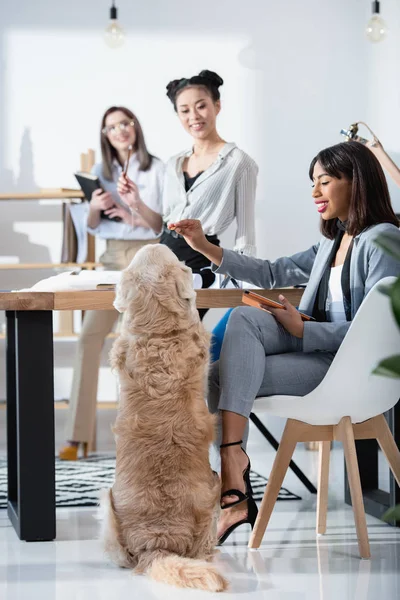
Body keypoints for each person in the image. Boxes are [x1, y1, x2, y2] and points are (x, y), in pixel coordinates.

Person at [168, 141, 400, 544]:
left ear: (356, 182)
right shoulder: (334, 240)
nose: (314, 193)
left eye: (324, 182)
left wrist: (303, 331)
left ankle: (229, 486)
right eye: (313, 183)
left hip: (345, 366)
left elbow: (378, 332)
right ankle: (230, 466)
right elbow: (274, 271)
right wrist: (206, 247)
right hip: (316, 348)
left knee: (214, 380)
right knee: (240, 320)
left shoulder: (384, 240)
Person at [59, 106, 164, 460]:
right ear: (104, 134)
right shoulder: (100, 171)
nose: (119, 130)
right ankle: (76, 436)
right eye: (111, 127)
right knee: (89, 337)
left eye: (125, 123)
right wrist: (96, 204)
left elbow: (162, 224)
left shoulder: (158, 168)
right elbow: (92, 225)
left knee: (138, 347)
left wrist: (130, 213)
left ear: (135, 126)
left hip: (146, 256)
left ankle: (138, 437)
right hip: (110, 258)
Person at [117, 70, 258, 320]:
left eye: (201, 106)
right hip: (160, 258)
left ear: (217, 106)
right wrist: (135, 202)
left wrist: (241, 288)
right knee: (144, 335)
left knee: (179, 337)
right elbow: (160, 226)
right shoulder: (173, 163)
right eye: (184, 110)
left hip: (200, 259)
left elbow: (245, 236)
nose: (193, 116)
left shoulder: (240, 163)